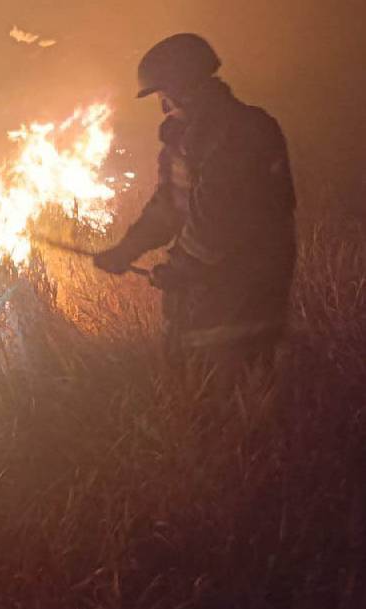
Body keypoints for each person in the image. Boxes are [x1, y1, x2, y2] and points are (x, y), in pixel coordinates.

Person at [95, 34, 296, 392]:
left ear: (184, 87)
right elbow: (168, 206)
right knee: (194, 395)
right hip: (206, 298)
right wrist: (126, 250)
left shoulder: (242, 132)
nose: (163, 106)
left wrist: (178, 268)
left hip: (244, 297)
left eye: (163, 94)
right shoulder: (184, 140)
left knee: (234, 402)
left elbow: (219, 216)